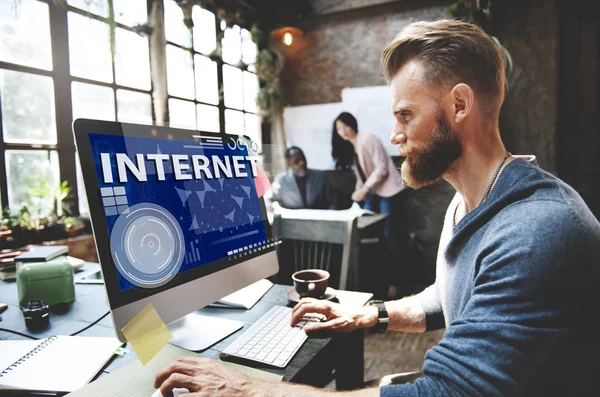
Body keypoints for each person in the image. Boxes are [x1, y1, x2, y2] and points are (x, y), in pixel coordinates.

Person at [153, 19, 599, 396]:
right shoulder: (469, 203)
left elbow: (443, 392)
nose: (394, 136)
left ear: (459, 105)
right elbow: (449, 296)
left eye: (405, 115)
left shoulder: (536, 230)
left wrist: (254, 389)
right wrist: (370, 314)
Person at [333, 111, 407, 297]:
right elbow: (362, 176)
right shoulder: (353, 147)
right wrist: (358, 193)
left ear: (352, 124)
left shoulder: (368, 139)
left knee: (391, 237)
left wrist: (364, 190)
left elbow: (382, 168)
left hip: (388, 192)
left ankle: (396, 283)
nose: (342, 131)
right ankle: (375, 282)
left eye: (344, 126)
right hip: (374, 193)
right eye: (338, 128)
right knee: (370, 236)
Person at [267, 146, 333, 210]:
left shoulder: (320, 176)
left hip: (319, 218)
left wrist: (330, 215)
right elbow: (268, 199)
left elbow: (333, 201)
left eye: (303, 159)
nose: (302, 163)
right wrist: (276, 212)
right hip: (292, 219)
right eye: (297, 161)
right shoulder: (281, 180)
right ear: (289, 163)